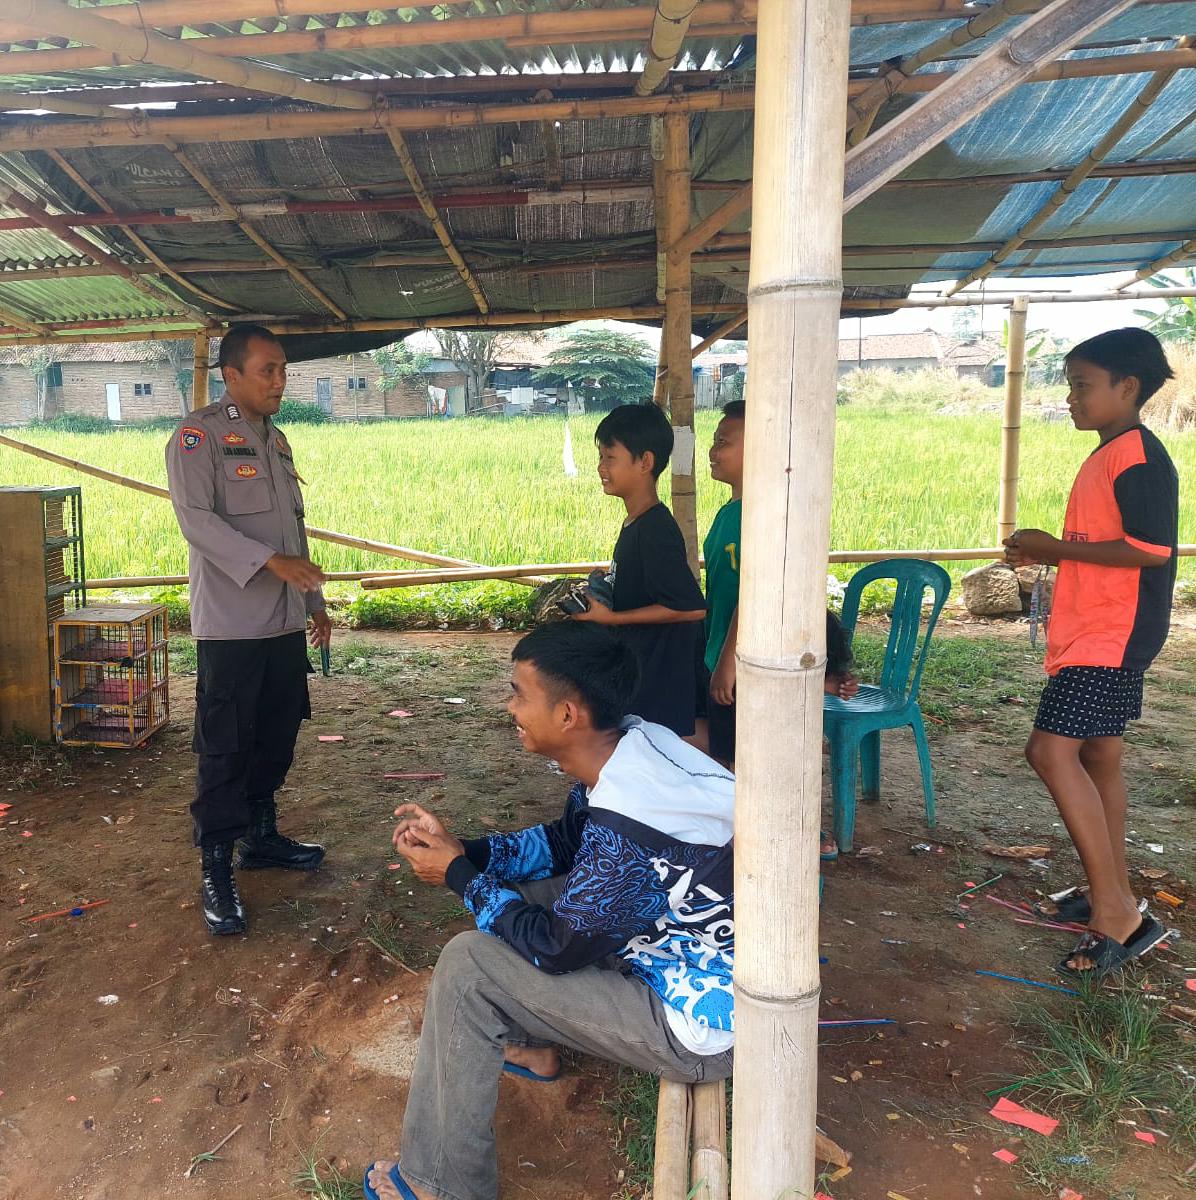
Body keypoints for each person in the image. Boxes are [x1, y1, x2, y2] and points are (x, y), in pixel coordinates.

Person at [363, 622, 735, 1200]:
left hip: (699, 1022)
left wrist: (458, 875)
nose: (509, 707)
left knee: (469, 965)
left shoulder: (629, 824)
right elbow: (566, 843)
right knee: (523, 899)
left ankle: (439, 1182)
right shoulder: (634, 745)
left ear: (567, 715)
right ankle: (529, 1046)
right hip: (681, 945)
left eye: (518, 693)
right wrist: (466, 853)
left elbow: (553, 950)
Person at [1004, 327, 1177, 979]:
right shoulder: (1112, 452)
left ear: (1127, 387)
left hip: (1113, 635)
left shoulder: (1140, 457)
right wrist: (1050, 554)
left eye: (1082, 386)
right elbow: (1111, 545)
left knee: (1050, 752)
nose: (1072, 398)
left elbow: (1150, 551)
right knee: (1098, 756)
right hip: (1098, 630)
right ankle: (1112, 889)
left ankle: (1118, 915)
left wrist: (1053, 548)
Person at [165, 324, 331, 937]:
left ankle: (260, 838)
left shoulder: (277, 441)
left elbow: (294, 530)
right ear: (232, 374)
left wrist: (314, 602)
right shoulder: (198, 436)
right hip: (232, 626)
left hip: (283, 622)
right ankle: (216, 867)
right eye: (268, 370)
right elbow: (197, 522)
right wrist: (271, 564)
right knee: (226, 746)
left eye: (284, 369)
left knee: (277, 734)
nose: (280, 381)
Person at [699, 400, 857, 857]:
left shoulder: (763, 516)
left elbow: (757, 593)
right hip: (722, 652)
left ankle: (787, 838)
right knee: (732, 751)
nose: (713, 450)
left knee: (753, 757)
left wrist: (727, 662)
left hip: (745, 659)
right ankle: (746, 837)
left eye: (724, 442)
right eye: (714, 440)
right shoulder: (729, 513)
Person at [569, 403, 707, 737]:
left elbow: (690, 608)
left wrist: (612, 619)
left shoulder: (655, 529)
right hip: (640, 673)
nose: (601, 467)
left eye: (610, 457)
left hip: (658, 681)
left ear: (645, 462)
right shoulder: (636, 522)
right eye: (600, 457)